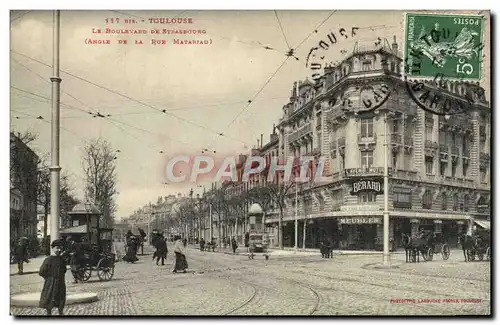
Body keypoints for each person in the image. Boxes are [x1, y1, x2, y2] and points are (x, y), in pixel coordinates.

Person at [39, 239, 67, 316]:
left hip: (61, 282)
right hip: (51, 282)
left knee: (61, 298)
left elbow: (64, 270)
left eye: (61, 248)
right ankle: (49, 314)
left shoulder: (62, 259)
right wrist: (49, 278)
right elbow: (41, 272)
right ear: (53, 248)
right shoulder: (48, 260)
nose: (59, 250)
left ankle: (61, 313)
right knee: (49, 297)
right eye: (57, 248)